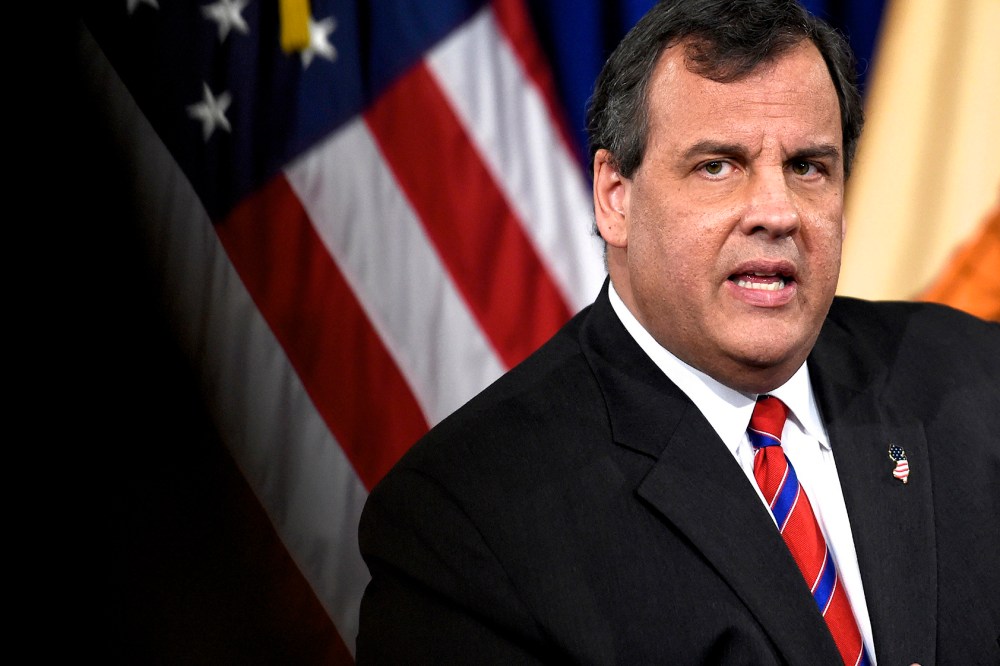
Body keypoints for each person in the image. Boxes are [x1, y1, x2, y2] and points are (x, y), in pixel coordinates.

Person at [356, 0, 1000, 663]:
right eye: (718, 165)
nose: (777, 212)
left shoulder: (976, 379)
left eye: (808, 167)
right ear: (615, 196)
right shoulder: (468, 522)